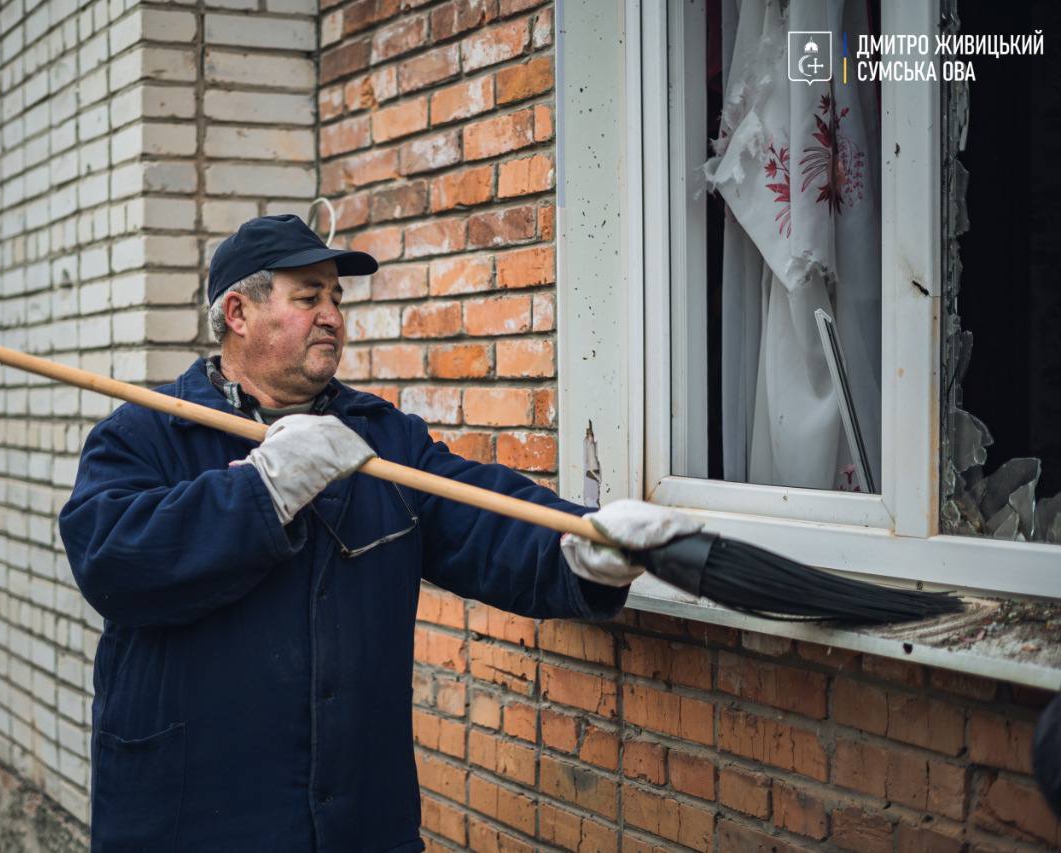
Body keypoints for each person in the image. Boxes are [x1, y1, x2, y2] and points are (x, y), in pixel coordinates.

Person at [58, 214, 700, 852]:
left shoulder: (377, 439)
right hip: (195, 819)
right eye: (308, 297)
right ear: (237, 313)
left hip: (356, 819)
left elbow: (478, 518)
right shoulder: (146, 434)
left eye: (336, 298)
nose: (333, 315)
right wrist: (260, 490)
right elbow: (111, 560)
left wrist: (579, 548)